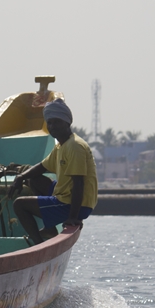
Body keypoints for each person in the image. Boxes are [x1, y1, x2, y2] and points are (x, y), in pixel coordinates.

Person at [9, 98, 98, 244]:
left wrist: (73, 217)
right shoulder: (62, 145)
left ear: (67, 122)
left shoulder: (74, 146)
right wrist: (20, 177)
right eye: (49, 123)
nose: (52, 126)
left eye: (56, 122)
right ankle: (50, 228)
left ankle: (38, 244)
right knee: (34, 179)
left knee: (19, 205)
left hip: (75, 205)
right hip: (65, 195)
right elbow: (42, 167)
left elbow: (79, 184)